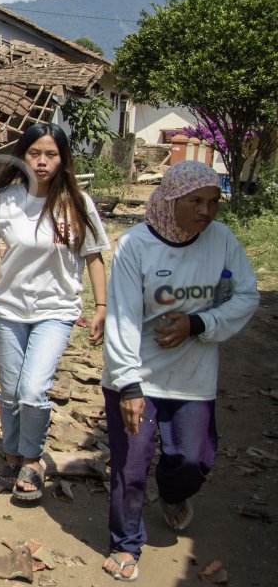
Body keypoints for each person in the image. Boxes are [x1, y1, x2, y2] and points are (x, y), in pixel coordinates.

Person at [100, 160, 259, 582]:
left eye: (213, 202)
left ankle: (172, 494)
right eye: (196, 202)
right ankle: (125, 543)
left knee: (192, 459)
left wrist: (199, 324)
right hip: (137, 374)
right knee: (131, 465)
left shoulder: (222, 241)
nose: (206, 211)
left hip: (193, 376)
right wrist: (128, 384)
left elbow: (246, 294)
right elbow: (122, 319)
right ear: (170, 201)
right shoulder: (136, 246)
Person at [0, 122, 109, 501]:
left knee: (33, 388)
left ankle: (31, 459)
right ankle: (11, 454)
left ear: (63, 159)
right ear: (23, 156)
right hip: (9, 308)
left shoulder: (77, 202)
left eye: (51, 155)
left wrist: (101, 306)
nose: (42, 162)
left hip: (56, 310)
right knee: (10, 390)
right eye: (34, 154)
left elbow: (93, 256)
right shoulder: (8, 200)